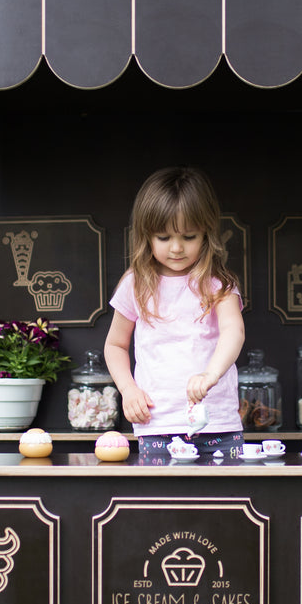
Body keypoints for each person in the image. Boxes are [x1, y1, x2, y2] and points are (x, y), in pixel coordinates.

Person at [104, 167, 245, 464]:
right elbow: (115, 345)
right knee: (162, 506)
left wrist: (210, 374)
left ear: (206, 232)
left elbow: (234, 332)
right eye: (164, 237)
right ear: (146, 235)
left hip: (218, 422)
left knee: (226, 504)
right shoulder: (135, 283)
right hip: (157, 423)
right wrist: (128, 390)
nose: (177, 248)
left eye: (189, 236)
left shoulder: (219, 284)